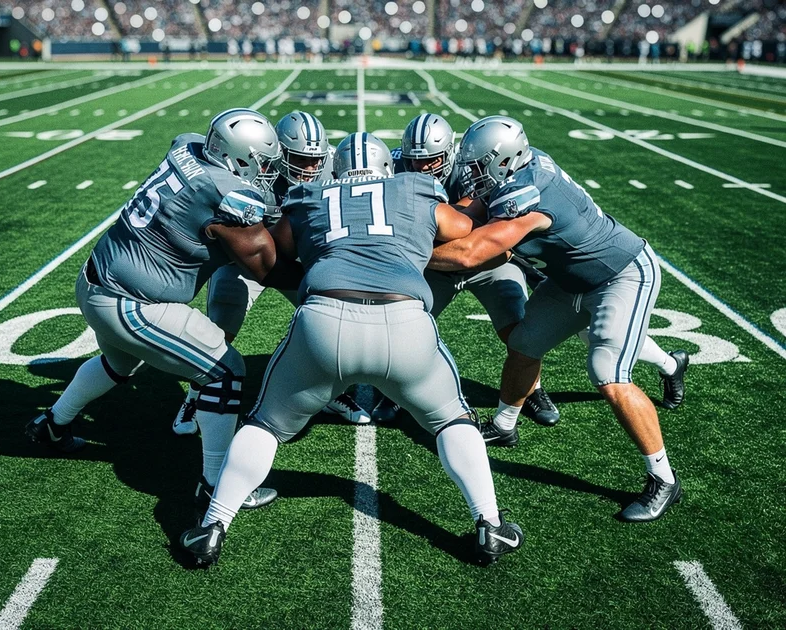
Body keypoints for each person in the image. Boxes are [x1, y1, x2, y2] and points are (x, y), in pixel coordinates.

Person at [179, 133, 524, 567]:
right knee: (453, 419)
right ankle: (490, 525)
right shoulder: (414, 187)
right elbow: (462, 230)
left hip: (325, 319)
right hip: (404, 321)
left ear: (336, 169)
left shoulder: (309, 195)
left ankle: (212, 525)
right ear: (388, 167)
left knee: (265, 424)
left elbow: (280, 246)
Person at [26, 109, 295, 513]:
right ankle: (217, 484)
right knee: (225, 373)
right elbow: (265, 267)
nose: (268, 173)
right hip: (131, 301)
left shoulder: (188, 145)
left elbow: (185, 154)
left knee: (121, 363)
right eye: (262, 165)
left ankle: (52, 424)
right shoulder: (230, 194)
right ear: (236, 159)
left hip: (96, 278)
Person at [429, 116, 682, 522]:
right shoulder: (520, 169)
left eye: (477, 168)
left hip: (621, 273)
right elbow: (472, 209)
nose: (471, 175)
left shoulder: (526, 197)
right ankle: (505, 422)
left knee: (608, 372)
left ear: (502, 161)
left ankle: (664, 478)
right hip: (570, 279)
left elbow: (468, 254)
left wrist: (404, 249)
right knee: (525, 343)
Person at [171, 111, 370, 437]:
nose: (309, 169)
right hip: (249, 260)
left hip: (307, 259)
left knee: (336, 325)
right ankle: (196, 393)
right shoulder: (258, 168)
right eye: (299, 159)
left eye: (314, 160)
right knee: (222, 325)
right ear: (278, 153)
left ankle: (331, 392)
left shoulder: (334, 169)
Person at [379, 113, 560, 431]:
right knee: (403, 326)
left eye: (432, 160)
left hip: (484, 261)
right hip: (433, 264)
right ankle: (396, 391)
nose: (422, 168)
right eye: (415, 161)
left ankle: (532, 388)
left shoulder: (474, 167)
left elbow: (480, 234)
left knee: (518, 330)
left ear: (451, 153)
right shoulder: (394, 166)